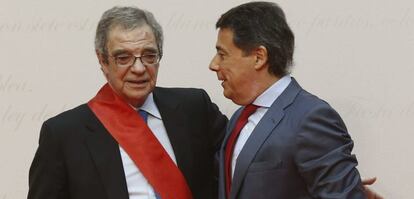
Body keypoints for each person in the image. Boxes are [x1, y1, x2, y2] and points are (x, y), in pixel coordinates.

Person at [28, 6, 227, 199]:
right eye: (123, 58)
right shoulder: (64, 134)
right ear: (103, 61)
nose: (139, 68)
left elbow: (239, 164)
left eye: (149, 55)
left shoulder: (194, 108)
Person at [209, 2, 375, 198]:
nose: (214, 64)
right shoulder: (239, 117)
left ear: (259, 57)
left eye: (222, 54)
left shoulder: (311, 118)